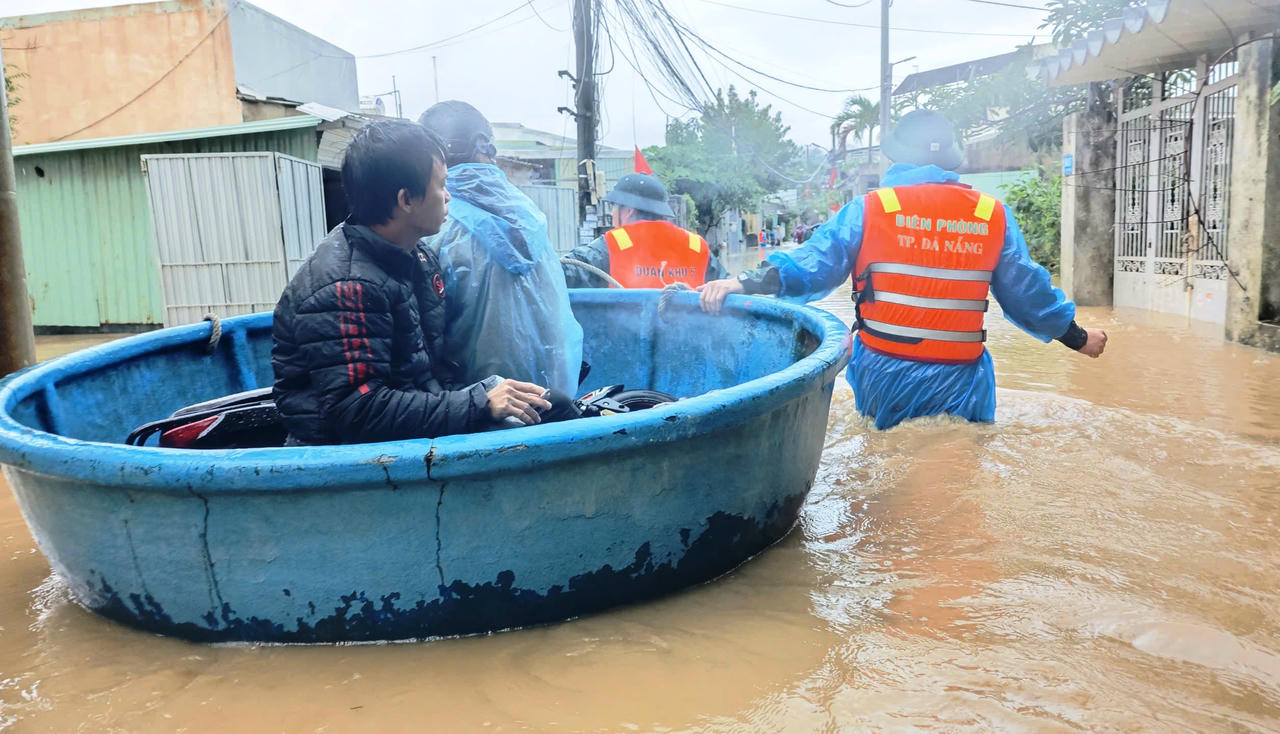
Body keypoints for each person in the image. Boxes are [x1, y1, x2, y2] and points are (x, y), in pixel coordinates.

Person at [700, 110, 1108, 430]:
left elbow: (813, 265)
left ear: (895, 156)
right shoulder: (991, 214)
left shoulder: (870, 208)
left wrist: (741, 281)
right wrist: (1078, 339)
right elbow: (1029, 295)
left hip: (884, 374)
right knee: (959, 485)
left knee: (884, 485)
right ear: (949, 158)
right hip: (961, 381)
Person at [271, 120, 552, 445]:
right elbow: (359, 411)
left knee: (549, 404)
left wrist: (484, 397)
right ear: (406, 200)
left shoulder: (416, 257)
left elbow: (429, 371)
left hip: (411, 427)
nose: (448, 196)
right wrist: (478, 403)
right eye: (441, 185)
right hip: (351, 457)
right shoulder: (347, 286)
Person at [418, 100, 584, 398]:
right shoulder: (528, 214)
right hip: (554, 405)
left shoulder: (432, 225)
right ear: (486, 147)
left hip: (479, 413)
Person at [562, 173, 729, 288]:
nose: (612, 214)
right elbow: (727, 285)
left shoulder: (614, 243)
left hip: (625, 336)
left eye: (614, 207)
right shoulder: (696, 244)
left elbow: (562, 273)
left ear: (628, 211)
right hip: (689, 336)